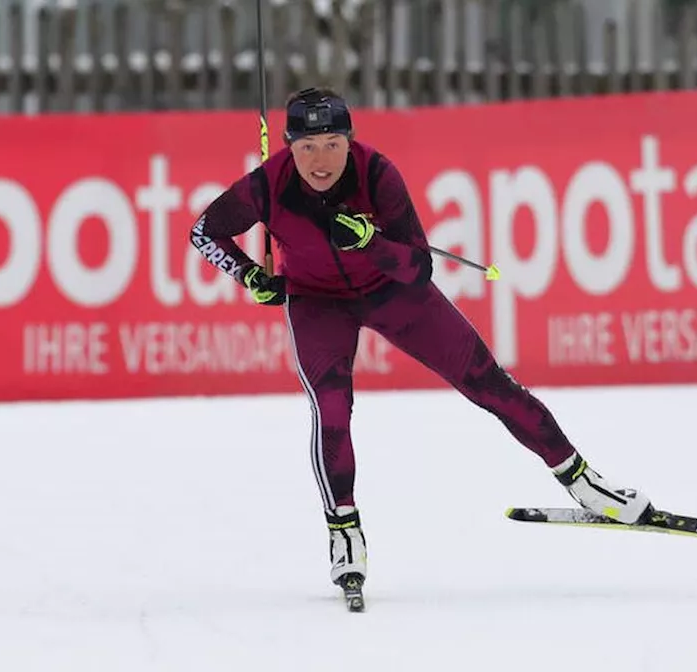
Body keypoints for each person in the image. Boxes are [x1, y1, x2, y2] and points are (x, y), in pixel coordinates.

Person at [189, 87, 653, 592]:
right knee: (332, 408)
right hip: (317, 302)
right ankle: (344, 530)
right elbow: (203, 231)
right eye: (306, 147)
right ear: (288, 146)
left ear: (350, 140)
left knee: (488, 383)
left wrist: (372, 243)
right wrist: (251, 277)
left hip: (391, 292)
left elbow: (418, 267)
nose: (320, 160)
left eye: (332, 144)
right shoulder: (268, 184)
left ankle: (583, 482)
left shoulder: (377, 173)